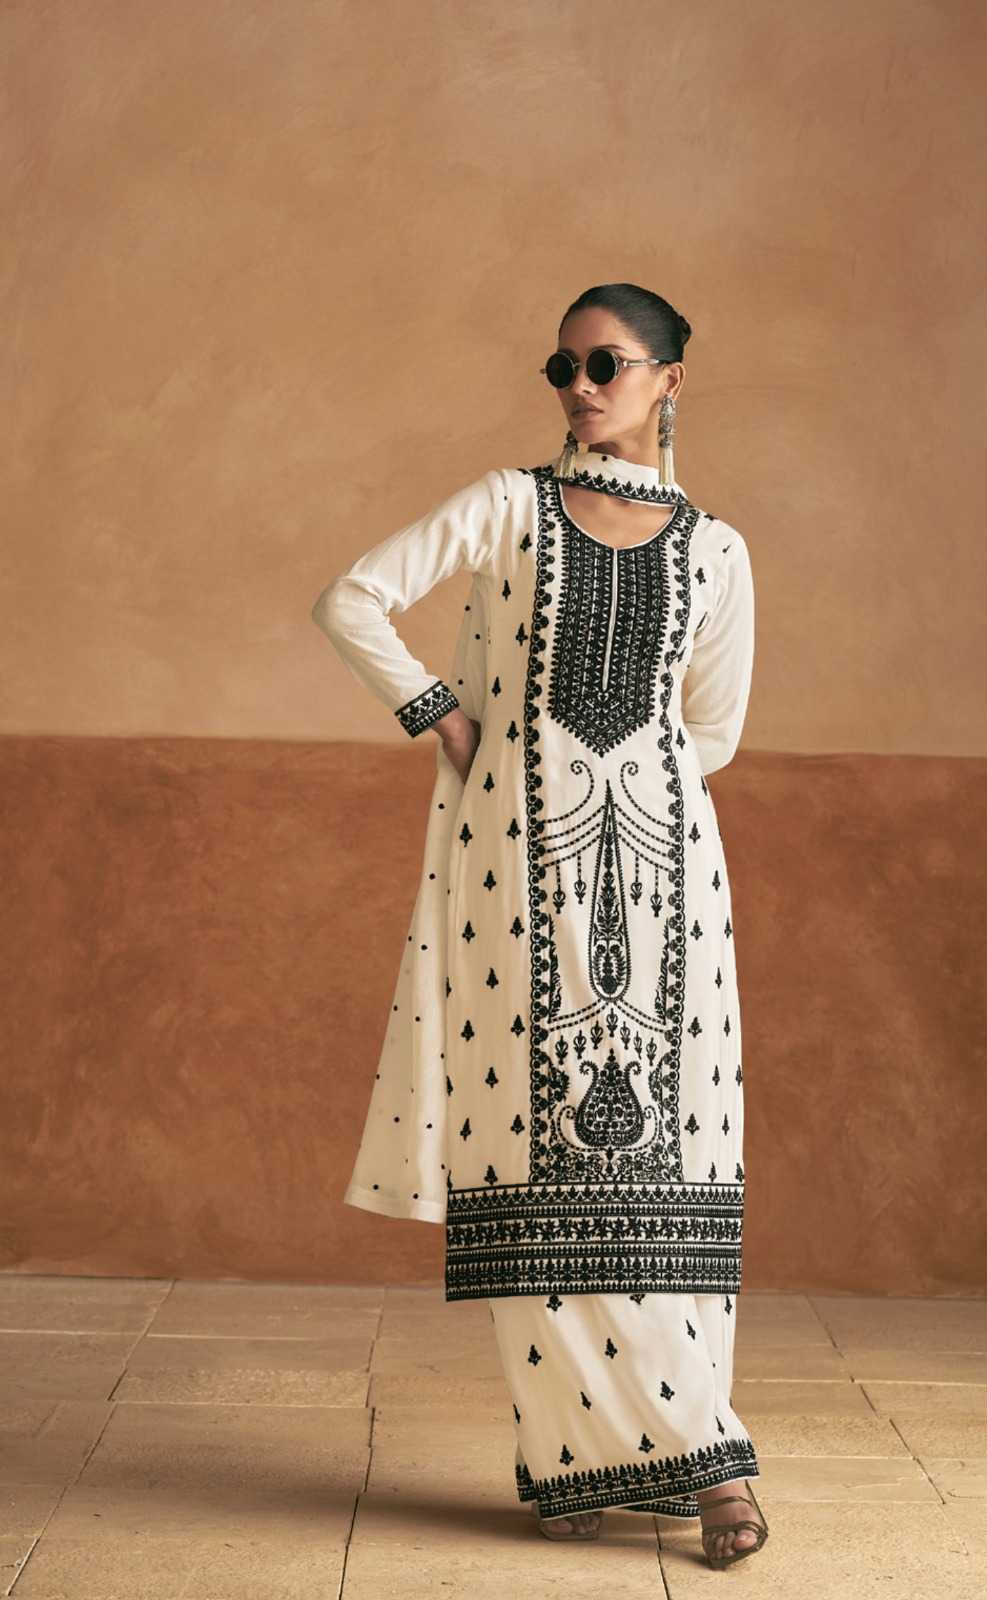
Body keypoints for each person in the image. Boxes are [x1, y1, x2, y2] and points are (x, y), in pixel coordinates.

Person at [311, 282, 766, 1569]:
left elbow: (712, 731)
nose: (578, 387)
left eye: (605, 364)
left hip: (670, 884)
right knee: (531, 1150)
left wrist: (622, 792)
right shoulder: (508, 506)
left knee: (672, 1161)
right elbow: (352, 598)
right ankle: (580, 1452)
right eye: (561, 367)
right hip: (512, 874)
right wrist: (446, 719)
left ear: (669, 380)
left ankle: (708, 1455)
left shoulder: (718, 551)